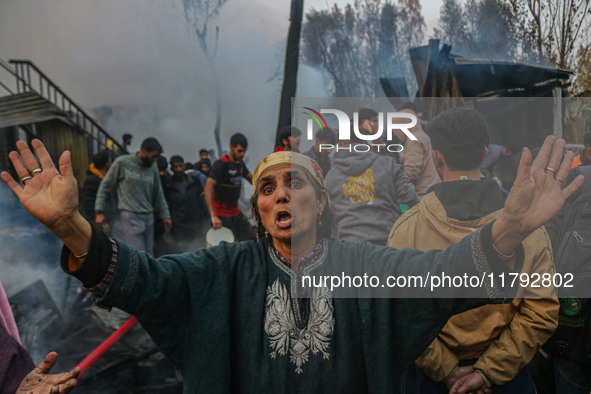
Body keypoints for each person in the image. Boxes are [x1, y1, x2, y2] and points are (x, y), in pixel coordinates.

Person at [0, 136, 582, 393]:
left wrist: (509, 226)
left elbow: (447, 274)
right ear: (258, 208)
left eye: (294, 183)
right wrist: (70, 226)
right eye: (267, 187)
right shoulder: (224, 272)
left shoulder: (364, 267)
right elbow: (143, 278)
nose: (278, 194)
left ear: (321, 199)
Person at [389, 108, 558, 393]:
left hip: (432, 381)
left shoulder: (405, 230)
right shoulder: (529, 227)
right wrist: (487, 371)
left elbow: (400, 314)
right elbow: (541, 312)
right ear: (483, 154)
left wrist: (448, 370)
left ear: (436, 156)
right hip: (508, 378)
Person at [325, 136, 418, 245]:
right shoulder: (388, 164)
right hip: (387, 240)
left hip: (348, 245)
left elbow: (327, 215)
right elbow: (410, 197)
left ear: (340, 144)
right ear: (364, 143)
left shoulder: (331, 177)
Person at [94, 137, 172, 255]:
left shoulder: (153, 167)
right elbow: (105, 186)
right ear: (144, 151)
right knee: (138, 254)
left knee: (149, 254)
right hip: (130, 215)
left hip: (148, 216)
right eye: (153, 156)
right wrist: (99, 211)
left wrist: (165, 215)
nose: (155, 160)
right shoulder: (123, 163)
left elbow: (158, 194)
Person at [205, 132, 255, 241]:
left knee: (251, 236)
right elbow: (208, 188)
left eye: (244, 151)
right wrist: (213, 216)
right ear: (231, 147)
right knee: (228, 246)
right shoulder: (221, 164)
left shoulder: (240, 164)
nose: (242, 154)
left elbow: (253, 180)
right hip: (221, 215)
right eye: (240, 151)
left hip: (235, 212)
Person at [392, 102, 441, 198]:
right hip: (433, 190)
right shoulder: (422, 135)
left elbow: (411, 172)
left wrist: (392, 184)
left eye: (395, 128)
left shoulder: (413, 140)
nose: (395, 134)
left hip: (423, 194)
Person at [164, 155, 209, 253]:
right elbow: (166, 206)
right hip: (179, 228)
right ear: (172, 168)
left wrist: (208, 217)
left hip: (196, 225)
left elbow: (203, 201)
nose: (179, 169)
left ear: (184, 166)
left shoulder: (195, 182)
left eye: (181, 166)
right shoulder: (168, 186)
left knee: (199, 251)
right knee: (183, 253)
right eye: (176, 167)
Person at [81, 151, 111, 222]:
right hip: (96, 221)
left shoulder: (102, 179)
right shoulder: (92, 180)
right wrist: (97, 218)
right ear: (107, 164)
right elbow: (88, 203)